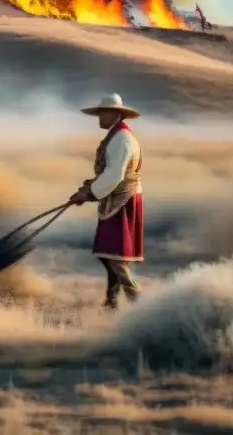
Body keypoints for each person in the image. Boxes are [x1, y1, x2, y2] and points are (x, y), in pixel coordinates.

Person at [69, 93, 144, 310]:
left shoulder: (121, 139)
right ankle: (111, 303)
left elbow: (114, 175)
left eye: (103, 113)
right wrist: (87, 189)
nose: (100, 117)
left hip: (121, 198)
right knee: (110, 253)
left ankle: (137, 301)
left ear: (115, 113)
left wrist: (89, 193)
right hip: (117, 196)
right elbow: (110, 174)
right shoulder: (117, 136)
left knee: (112, 255)